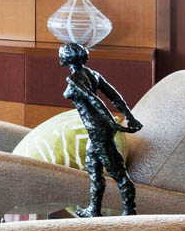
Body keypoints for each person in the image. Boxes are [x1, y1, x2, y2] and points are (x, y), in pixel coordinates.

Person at [59, 42, 145, 216]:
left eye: (61, 54)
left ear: (68, 58)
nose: (59, 57)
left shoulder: (74, 80)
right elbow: (115, 97)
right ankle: (94, 209)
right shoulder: (92, 74)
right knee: (94, 168)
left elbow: (95, 100)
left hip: (98, 130)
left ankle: (130, 211)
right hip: (97, 130)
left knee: (117, 172)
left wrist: (113, 123)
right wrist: (129, 117)